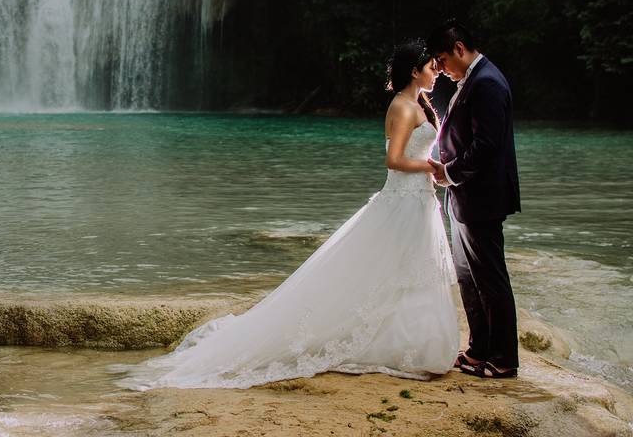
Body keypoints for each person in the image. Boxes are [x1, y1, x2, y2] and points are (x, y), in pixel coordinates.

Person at [118, 39, 459, 390]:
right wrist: (433, 167)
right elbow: (393, 160)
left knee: (408, 273)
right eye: (432, 67)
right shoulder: (403, 106)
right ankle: (398, 344)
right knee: (393, 272)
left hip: (415, 202)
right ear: (415, 71)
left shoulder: (417, 103)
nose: (437, 73)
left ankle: (407, 341)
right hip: (404, 201)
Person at [427, 20, 521, 379]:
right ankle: (478, 348)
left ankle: (503, 359)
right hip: (465, 196)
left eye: (442, 59)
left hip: (482, 197)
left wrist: (449, 172)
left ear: (460, 48)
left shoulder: (487, 83)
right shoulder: (473, 80)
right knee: (468, 276)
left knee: (491, 278)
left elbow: (487, 145)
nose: (440, 68)